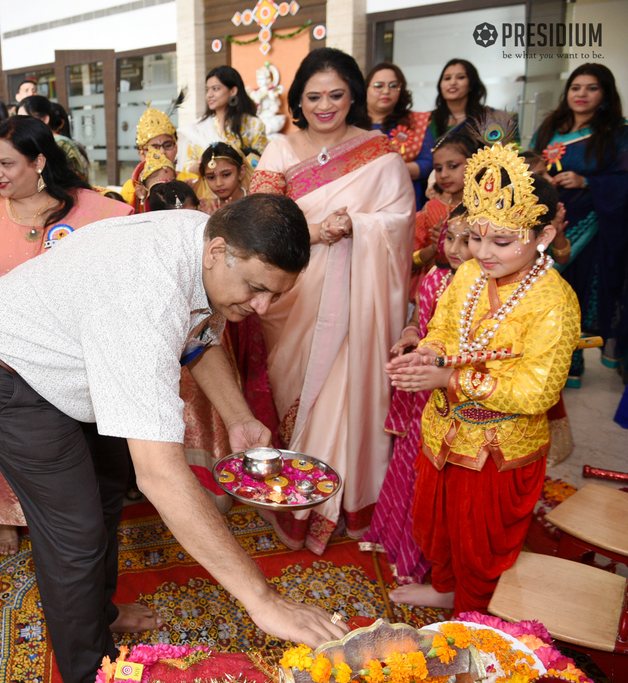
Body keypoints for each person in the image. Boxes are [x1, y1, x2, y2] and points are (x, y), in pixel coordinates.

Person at [0, 194, 349, 683]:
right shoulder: (145, 298)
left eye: (275, 295)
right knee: (76, 533)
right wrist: (263, 600)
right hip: (4, 370)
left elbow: (199, 334)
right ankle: (90, 671)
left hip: (75, 361)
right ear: (218, 251)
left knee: (110, 489)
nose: (261, 306)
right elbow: (161, 476)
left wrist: (237, 417)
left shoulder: (208, 239)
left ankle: (101, 614)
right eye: (256, 289)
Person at [386, 143, 579, 614]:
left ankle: (470, 619)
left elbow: (537, 391)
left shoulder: (555, 301)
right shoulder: (470, 273)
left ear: (544, 234)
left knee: (480, 540)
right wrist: (428, 351)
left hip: (499, 449)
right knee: (436, 523)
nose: (484, 253)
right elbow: (447, 327)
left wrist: (448, 379)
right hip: (446, 431)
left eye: (503, 241)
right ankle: (447, 586)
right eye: (476, 238)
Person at [0, 116, 133, 556]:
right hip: (8, 372)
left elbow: (128, 266)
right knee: (54, 491)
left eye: (7, 163)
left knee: (98, 478)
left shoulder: (95, 210)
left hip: (80, 368)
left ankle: (89, 570)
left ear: (40, 160)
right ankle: (48, 543)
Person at [246, 47, 414, 553]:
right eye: (313, 96)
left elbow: (401, 222)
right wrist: (318, 231)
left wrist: (358, 226)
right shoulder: (279, 148)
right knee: (294, 395)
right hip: (292, 293)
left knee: (345, 394)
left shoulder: (380, 154)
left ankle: (344, 501)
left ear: (353, 96)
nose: (325, 105)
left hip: (356, 300)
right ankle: (298, 498)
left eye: (336, 95)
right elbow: (258, 218)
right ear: (298, 99)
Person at [360, 203, 473, 586]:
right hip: (420, 390)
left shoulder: (479, 291)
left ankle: (431, 566)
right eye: (451, 237)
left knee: (434, 478)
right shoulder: (436, 275)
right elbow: (418, 320)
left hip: (452, 397)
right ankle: (399, 546)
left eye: (468, 239)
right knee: (407, 466)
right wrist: (410, 335)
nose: (456, 247)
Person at [531, 63, 628, 383]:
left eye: (591, 88)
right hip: (544, 215)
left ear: (605, 95)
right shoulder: (550, 126)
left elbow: (624, 179)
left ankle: (572, 357)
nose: (582, 94)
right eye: (576, 87)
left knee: (572, 285)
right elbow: (528, 161)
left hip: (592, 218)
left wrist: (587, 181)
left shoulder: (617, 132)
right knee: (542, 284)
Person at [410, 128, 480, 300]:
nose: (444, 175)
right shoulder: (432, 209)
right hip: (436, 293)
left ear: (476, 164)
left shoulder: (489, 210)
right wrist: (434, 248)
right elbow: (409, 263)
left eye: (453, 166)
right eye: (438, 168)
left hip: (478, 292)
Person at [365, 62, 434, 208]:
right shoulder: (349, 123)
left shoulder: (416, 123)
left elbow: (428, 163)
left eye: (393, 86)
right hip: (359, 198)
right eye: (379, 86)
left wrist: (387, 169)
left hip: (402, 200)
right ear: (365, 89)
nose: (386, 91)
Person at [178, 66, 268, 176]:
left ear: (233, 91)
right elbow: (187, 168)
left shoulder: (253, 125)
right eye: (207, 90)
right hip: (205, 191)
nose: (209, 95)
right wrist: (204, 163)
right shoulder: (198, 128)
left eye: (215, 89)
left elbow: (264, 165)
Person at [120, 105, 198, 212]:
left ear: (176, 148)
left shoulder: (191, 180)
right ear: (141, 154)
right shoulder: (130, 188)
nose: (162, 152)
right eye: (154, 148)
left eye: (168, 145)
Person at [19, 94, 87, 178]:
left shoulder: (61, 143)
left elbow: (76, 179)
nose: (20, 124)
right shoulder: (31, 143)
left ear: (45, 119)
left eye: (25, 119)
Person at [429, 59, 488, 139]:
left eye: (460, 77)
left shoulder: (487, 118)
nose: (452, 82)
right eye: (447, 78)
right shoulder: (427, 120)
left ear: (471, 85)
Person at [196, 142, 251, 215]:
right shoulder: (205, 208)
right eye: (211, 177)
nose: (219, 183)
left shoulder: (256, 203)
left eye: (226, 175)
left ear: (241, 172)